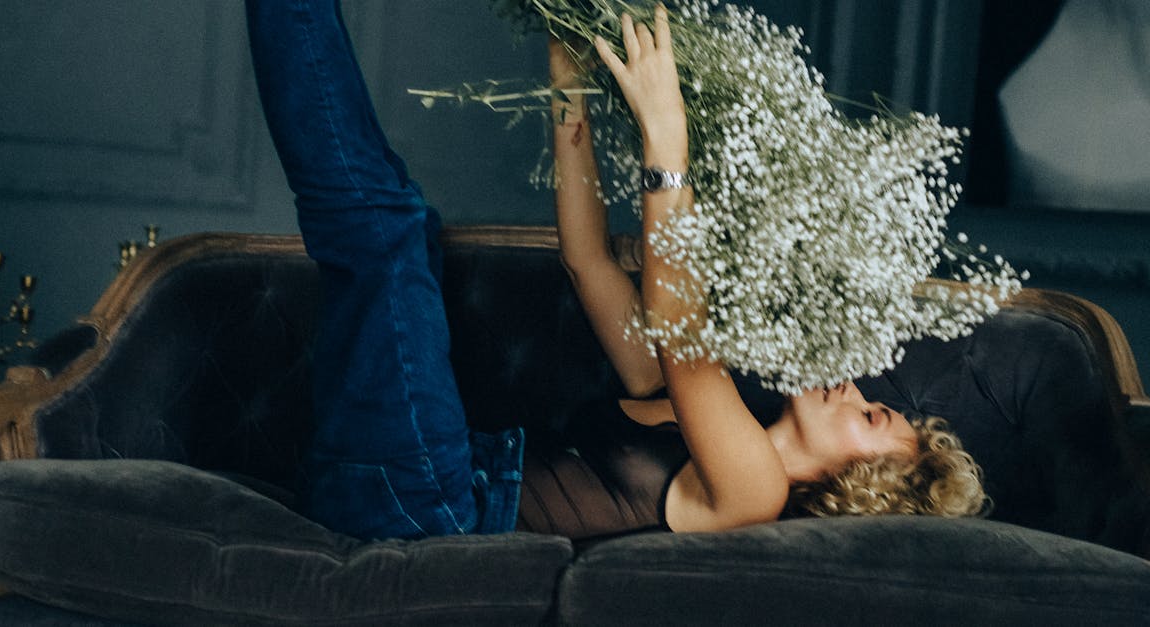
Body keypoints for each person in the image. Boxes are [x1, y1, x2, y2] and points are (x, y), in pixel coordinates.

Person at [247, 0, 985, 543]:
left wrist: (669, 144)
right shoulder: (702, 417)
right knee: (399, 235)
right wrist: (569, 77)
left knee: (387, 231)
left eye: (869, 415)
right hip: (420, 477)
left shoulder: (754, 488)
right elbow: (589, 262)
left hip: (431, 510)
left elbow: (681, 336)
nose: (852, 386)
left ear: (856, 488)